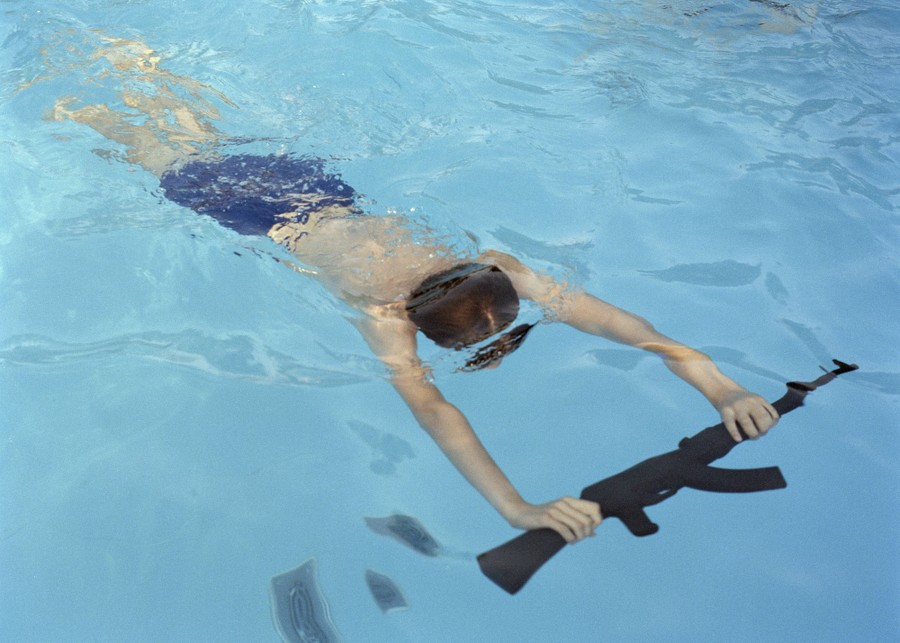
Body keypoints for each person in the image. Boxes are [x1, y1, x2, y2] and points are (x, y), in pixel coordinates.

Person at [47, 36, 779, 545]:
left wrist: (723, 388)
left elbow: (635, 329)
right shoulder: (384, 313)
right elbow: (434, 409)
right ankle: (79, 105)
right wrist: (513, 506)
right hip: (258, 213)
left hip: (315, 184)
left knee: (196, 139)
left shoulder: (494, 262)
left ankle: (141, 72)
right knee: (152, 146)